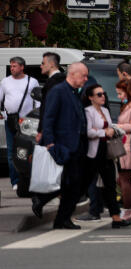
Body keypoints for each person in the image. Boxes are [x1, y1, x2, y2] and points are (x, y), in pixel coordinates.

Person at [31, 62, 89, 228]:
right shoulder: (58, 91)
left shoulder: (73, 92)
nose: (86, 78)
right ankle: (46, 203)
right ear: (73, 74)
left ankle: (61, 218)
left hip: (76, 144)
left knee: (74, 184)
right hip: (62, 145)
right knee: (69, 183)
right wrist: (49, 143)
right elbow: (49, 118)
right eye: (83, 75)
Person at [81, 84, 129, 228]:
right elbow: (88, 131)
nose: (103, 97)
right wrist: (103, 132)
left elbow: (109, 128)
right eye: (99, 94)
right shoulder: (88, 111)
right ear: (91, 98)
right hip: (93, 152)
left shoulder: (105, 110)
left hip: (106, 150)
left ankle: (116, 217)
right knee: (82, 183)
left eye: (103, 94)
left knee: (110, 184)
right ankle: (58, 207)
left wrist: (111, 131)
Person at [1, 56, 38, 190]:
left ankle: (29, 180)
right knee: (11, 151)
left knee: (28, 150)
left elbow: (37, 101)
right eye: (11, 66)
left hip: (27, 122)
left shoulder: (32, 81)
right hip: (10, 120)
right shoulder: (5, 81)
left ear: (22, 67)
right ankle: (15, 181)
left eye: (14, 66)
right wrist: (3, 113)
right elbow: (0, 98)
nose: (12, 68)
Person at [115, 79, 131, 222]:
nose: (119, 96)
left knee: (124, 179)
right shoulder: (127, 105)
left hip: (129, 146)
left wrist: (119, 127)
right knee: (123, 179)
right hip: (125, 144)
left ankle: (128, 210)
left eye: (120, 93)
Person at [37, 52, 65, 139]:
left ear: (52, 64)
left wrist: (42, 130)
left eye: (43, 63)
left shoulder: (54, 82)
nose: (41, 66)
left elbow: (48, 108)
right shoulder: (63, 80)